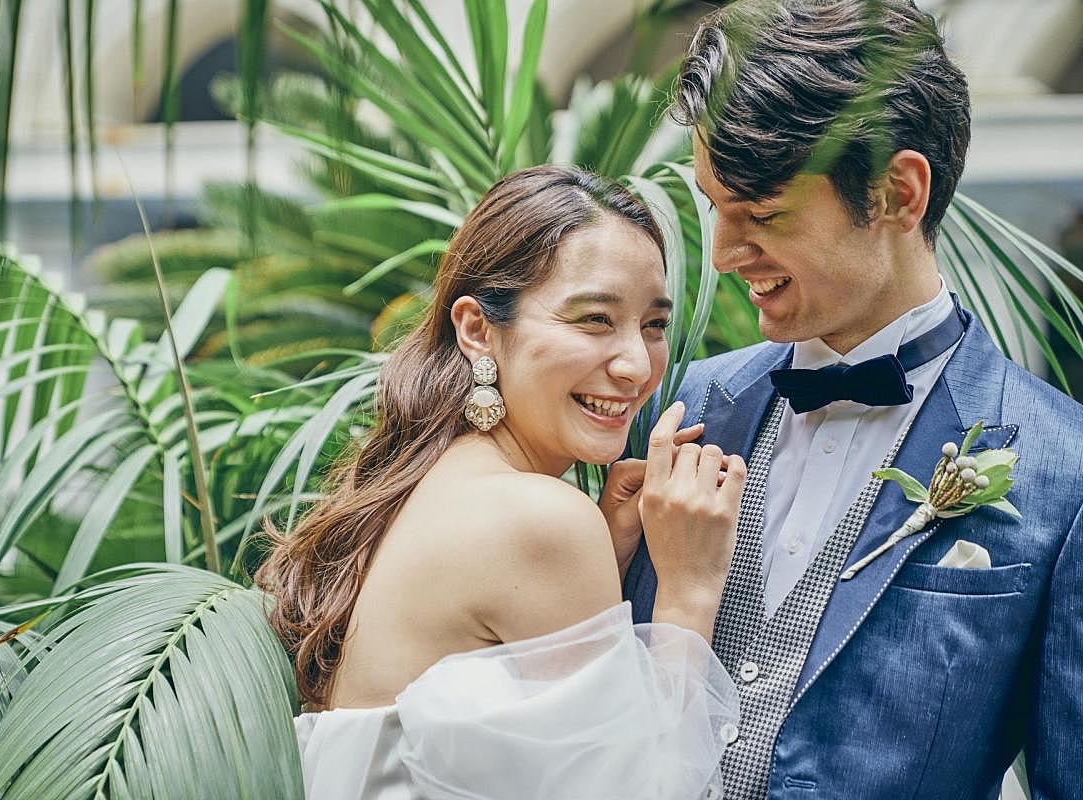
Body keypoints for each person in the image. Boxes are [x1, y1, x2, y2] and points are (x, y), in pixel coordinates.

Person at [619, 2, 1083, 798]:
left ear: (899, 193)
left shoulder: (1064, 473)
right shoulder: (679, 405)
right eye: (716, 208)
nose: (723, 254)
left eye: (762, 214)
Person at [256, 165, 750, 799]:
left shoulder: (417, 485)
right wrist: (688, 591)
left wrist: (606, 550)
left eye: (653, 325)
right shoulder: (539, 518)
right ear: (477, 329)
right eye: (594, 319)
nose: (636, 364)